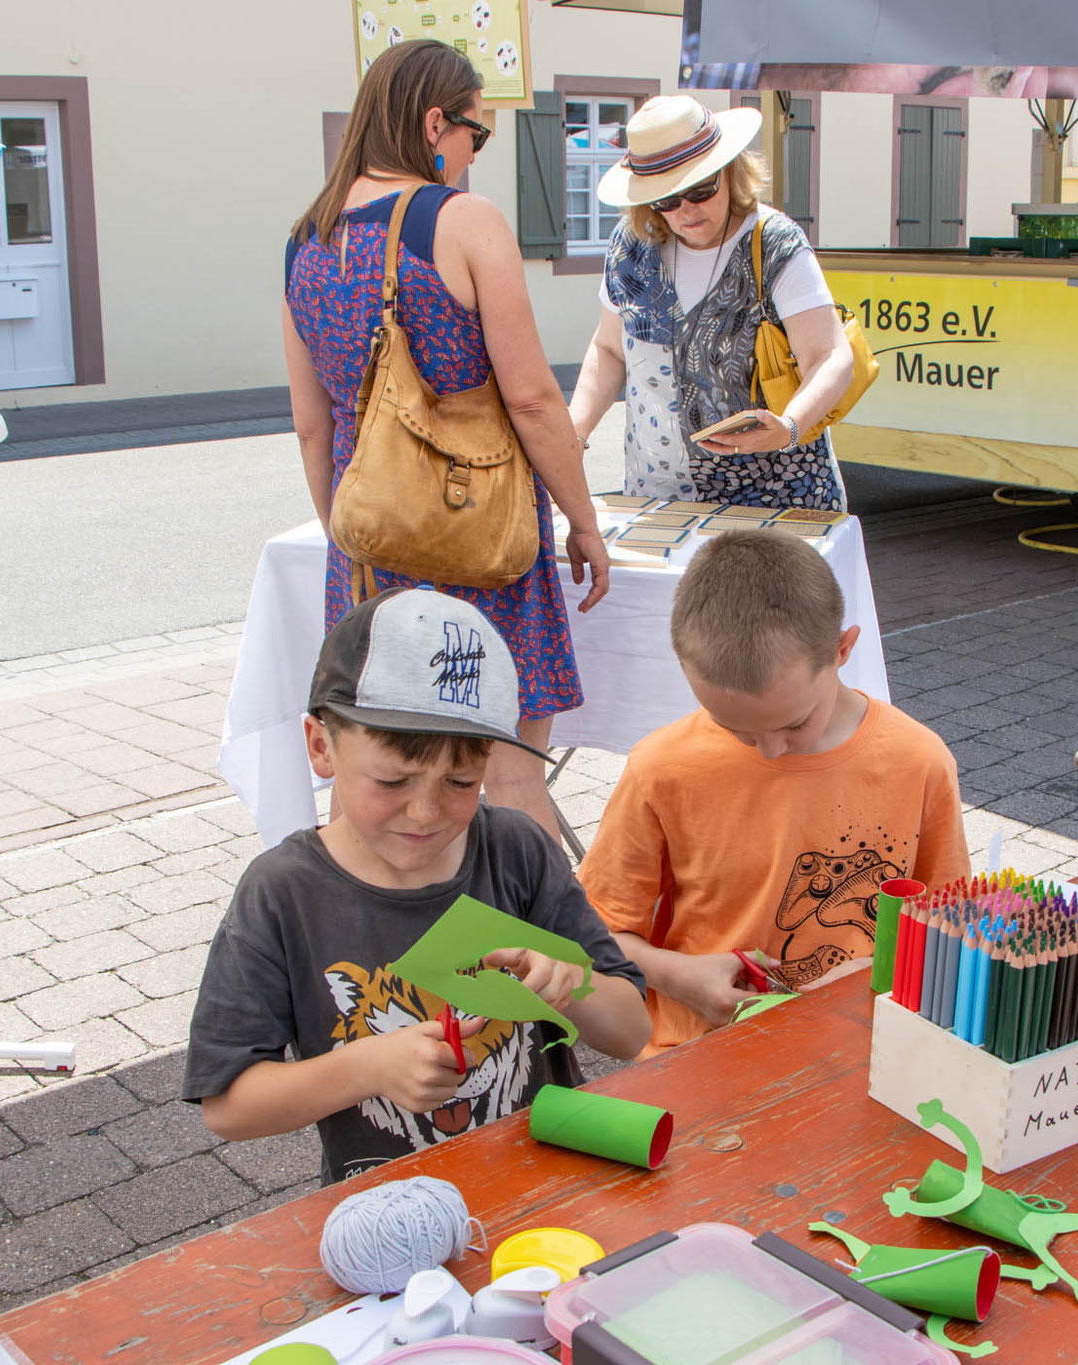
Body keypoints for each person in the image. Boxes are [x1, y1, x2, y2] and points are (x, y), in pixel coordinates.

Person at [184, 588, 650, 1182]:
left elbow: (632, 1030)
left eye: (461, 781)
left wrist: (572, 987)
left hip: (546, 1184)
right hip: (391, 1210)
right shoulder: (282, 893)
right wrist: (367, 1068)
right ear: (321, 747)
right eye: (393, 780)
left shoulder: (517, 850)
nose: (426, 812)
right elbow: (228, 1106)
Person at [283, 39, 608, 839]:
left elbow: (311, 422)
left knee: (376, 774)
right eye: (477, 133)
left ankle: (365, 947)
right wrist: (584, 520)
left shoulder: (306, 238)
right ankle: (519, 956)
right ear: (436, 123)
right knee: (506, 779)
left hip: (371, 555)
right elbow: (532, 400)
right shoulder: (463, 222)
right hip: (480, 533)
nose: (475, 153)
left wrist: (350, 529)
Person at [579, 531, 970, 1054]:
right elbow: (594, 933)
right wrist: (678, 977)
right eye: (734, 727)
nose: (768, 752)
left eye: (793, 724)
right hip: (698, 1057)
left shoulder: (917, 761)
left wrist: (883, 971)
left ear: (843, 649)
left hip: (865, 1051)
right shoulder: (661, 769)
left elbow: (954, 930)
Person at [568, 95, 856, 510]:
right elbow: (610, 349)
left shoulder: (774, 242)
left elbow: (830, 355)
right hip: (659, 495)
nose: (686, 210)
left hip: (772, 496)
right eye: (666, 199)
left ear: (729, 171)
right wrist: (575, 432)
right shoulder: (630, 245)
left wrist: (789, 427)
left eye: (700, 189)